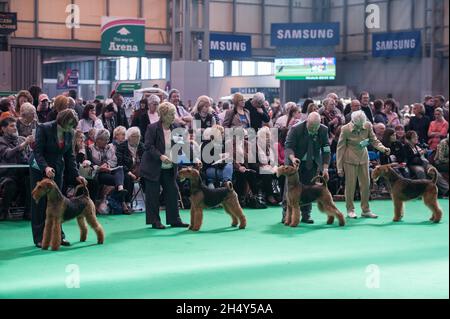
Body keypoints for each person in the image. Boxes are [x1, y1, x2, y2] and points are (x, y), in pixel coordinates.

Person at [29, 109, 87, 248]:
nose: (71, 127)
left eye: (73, 124)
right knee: (40, 204)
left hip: (57, 169)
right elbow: (38, 151)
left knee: (58, 203)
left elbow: (69, 156)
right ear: (62, 120)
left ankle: (59, 236)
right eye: (69, 123)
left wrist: (76, 175)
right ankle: (39, 238)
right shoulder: (44, 128)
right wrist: (45, 168)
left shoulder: (70, 132)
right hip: (39, 168)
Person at [139, 102, 189, 229]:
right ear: (163, 115)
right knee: (153, 194)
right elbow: (148, 146)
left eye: (174, 113)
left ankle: (175, 220)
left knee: (173, 191)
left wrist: (189, 162)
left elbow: (180, 148)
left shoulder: (177, 128)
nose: (174, 116)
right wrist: (160, 156)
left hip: (169, 167)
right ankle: (154, 221)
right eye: (171, 114)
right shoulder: (152, 128)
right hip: (153, 166)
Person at [336, 110, 391, 219]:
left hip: (364, 158)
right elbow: (340, 148)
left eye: (362, 124)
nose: (361, 126)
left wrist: (383, 149)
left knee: (366, 185)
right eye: (359, 125)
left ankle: (366, 210)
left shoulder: (368, 125)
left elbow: (374, 140)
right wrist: (339, 167)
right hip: (349, 159)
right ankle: (350, 210)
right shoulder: (345, 129)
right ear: (353, 121)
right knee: (350, 186)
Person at [283, 112, 331, 224]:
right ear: (307, 122)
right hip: (295, 164)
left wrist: (325, 168)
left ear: (320, 123)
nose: (314, 130)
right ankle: (286, 215)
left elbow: (326, 150)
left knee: (309, 189)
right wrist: (293, 158)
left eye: (316, 127)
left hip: (312, 162)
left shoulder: (323, 130)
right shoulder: (296, 129)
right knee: (290, 190)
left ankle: (306, 215)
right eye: (311, 127)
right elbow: (288, 146)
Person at [86, 128, 130, 214]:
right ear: (97, 139)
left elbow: (114, 160)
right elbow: (89, 163)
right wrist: (99, 167)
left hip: (109, 170)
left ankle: (121, 194)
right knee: (115, 179)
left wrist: (107, 164)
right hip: (98, 173)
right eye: (104, 140)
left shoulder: (111, 147)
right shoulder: (90, 149)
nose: (106, 142)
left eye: (107, 139)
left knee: (120, 170)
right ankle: (122, 202)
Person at [0, 117, 33, 220]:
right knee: (10, 184)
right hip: (7, 175)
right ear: (3, 129)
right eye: (11, 126)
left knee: (32, 180)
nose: (15, 128)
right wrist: (23, 145)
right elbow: (8, 154)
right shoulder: (1, 141)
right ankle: (3, 212)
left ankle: (28, 212)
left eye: (15, 125)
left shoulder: (21, 139)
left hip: (22, 174)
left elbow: (28, 156)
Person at [404, 130, 448, 196]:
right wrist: (419, 153)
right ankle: (424, 191)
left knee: (433, 171)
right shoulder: (406, 147)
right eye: (414, 137)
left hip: (422, 163)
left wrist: (422, 153)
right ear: (409, 139)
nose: (416, 138)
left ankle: (446, 190)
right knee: (420, 171)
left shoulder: (417, 146)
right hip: (413, 164)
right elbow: (409, 158)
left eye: (416, 136)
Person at [116, 127, 145, 211]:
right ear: (128, 137)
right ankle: (127, 202)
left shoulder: (142, 146)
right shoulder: (121, 147)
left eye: (138, 136)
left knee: (149, 177)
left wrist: (142, 173)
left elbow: (146, 161)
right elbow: (120, 163)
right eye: (134, 136)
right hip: (126, 171)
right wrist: (129, 173)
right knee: (127, 177)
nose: (137, 139)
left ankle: (151, 201)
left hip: (140, 171)